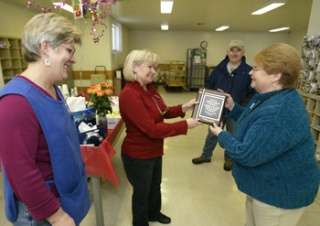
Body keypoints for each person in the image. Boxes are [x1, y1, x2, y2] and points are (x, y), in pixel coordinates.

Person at [210, 43, 320, 226]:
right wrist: (232, 107)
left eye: (256, 68)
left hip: (279, 194)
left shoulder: (278, 111)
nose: (251, 72)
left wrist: (221, 134)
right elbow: (254, 122)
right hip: (264, 186)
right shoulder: (269, 97)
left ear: (275, 76)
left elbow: (247, 154)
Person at [0, 13, 90, 226]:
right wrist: (57, 216)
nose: (73, 58)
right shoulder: (15, 101)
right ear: (46, 48)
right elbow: (20, 172)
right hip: (42, 213)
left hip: (62, 201)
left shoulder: (52, 89)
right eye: (69, 50)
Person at [119, 49, 202, 226]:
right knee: (142, 193)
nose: (153, 71)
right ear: (134, 67)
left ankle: (154, 213)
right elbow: (151, 129)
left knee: (155, 187)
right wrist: (185, 125)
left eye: (154, 67)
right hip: (138, 154)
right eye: (149, 67)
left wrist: (184, 108)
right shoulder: (130, 94)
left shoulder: (148, 88)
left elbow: (163, 112)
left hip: (154, 150)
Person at [192, 40, 255, 171]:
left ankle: (229, 158)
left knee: (232, 135)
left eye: (238, 50)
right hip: (217, 109)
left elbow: (252, 92)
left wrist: (241, 106)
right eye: (232, 50)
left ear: (243, 53)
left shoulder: (248, 71)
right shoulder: (218, 69)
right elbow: (209, 85)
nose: (235, 53)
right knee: (212, 133)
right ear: (227, 52)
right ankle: (206, 155)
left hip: (235, 109)